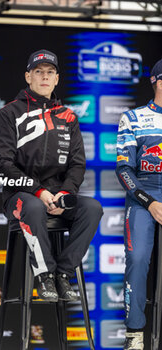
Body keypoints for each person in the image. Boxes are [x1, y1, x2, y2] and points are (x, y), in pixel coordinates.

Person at [0, 49, 103, 302]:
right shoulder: (9, 113)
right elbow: (3, 163)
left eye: (50, 72)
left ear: (56, 79)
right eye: (38, 72)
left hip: (57, 194)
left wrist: (65, 193)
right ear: (28, 77)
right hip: (20, 195)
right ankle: (44, 275)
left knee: (93, 208)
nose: (44, 77)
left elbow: (77, 164)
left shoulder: (68, 116)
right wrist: (38, 191)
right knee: (32, 206)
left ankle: (63, 274)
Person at [116, 58, 162, 349]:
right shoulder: (133, 118)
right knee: (137, 259)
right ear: (157, 81)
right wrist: (150, 202)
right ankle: (135, 336)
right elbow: (123, 170)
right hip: (143, 194)